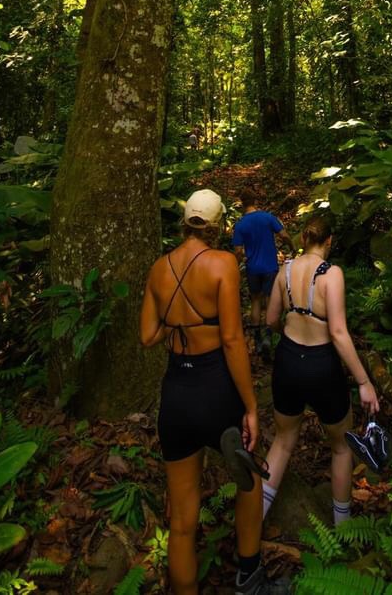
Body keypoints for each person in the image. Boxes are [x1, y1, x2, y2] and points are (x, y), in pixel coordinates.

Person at [140, 189, 286, 595]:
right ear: (218, 225)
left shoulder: (158, 268)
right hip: (216, 388)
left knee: (182, 520)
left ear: (184, 222)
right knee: (249, 481)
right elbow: (232, 340)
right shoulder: (222, 264)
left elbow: (147, 335)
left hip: (176, 394)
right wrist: (251, 406)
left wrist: (178, 322)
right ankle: (250, 579)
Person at [262, 214, 380, 527]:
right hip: (322, 365)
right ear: (329, 241)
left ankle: (252, 521)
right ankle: (344, 530)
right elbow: (338, 333)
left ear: (304, 239)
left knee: (283, 441)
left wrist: (288, 328)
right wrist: (364, 381)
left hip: (288, 360)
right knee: (341, 448)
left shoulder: (285, 270)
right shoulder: (332, 274)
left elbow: (271, 319)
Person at [232, 189, 284, 360]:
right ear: (255, 201)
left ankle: (257, 339)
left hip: (252, 268)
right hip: (270, 267)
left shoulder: (240, 225)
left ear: (242, 204)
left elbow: (238, 251)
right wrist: (292, 246)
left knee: (255, 300)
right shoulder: (267, 217)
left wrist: (237, 263)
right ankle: (268, 337)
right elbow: (283, 234)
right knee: (269, 300)